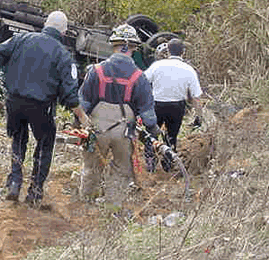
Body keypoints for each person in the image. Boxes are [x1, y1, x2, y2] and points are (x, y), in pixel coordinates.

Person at [0, 10, 90, 206]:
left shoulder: (20, 39)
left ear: (46, 24)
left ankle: (14, 183)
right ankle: (34, 192)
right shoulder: (63, 55)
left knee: (18, 139)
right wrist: (84, 118)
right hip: (41, 107)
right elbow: (70, 96)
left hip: (14, 102)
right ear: (64, 31)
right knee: (45, 145)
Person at [78, 24, 159, 208]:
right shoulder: (139, 77)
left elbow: (83, 103)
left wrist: (80, 123)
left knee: (92, 168)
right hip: (124, 133)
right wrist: (152, 129)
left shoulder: (96, 71)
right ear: (133, 48)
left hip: (96, 130)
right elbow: (147, 111)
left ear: (113, 45)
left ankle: (86, 206)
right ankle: (112, 206)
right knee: (122, 170)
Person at [143, 38, 202, 171]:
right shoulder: (188, 69)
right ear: (183, 52)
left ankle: (150, 165)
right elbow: (196, 97)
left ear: (168, 51)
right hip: (176, 107)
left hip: (156, 105)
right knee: (171, 137)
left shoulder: (157, 65)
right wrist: (199, 116)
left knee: (150, 135)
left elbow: (142, 81)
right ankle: (168, 165)